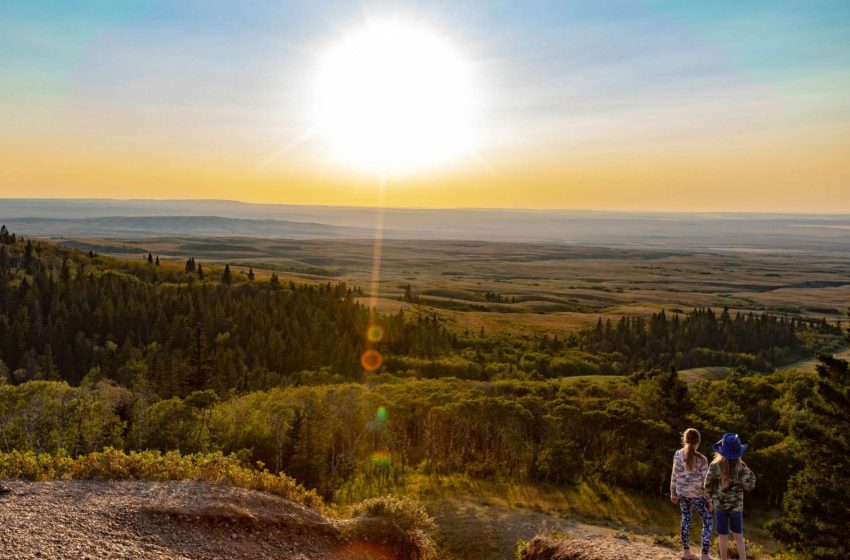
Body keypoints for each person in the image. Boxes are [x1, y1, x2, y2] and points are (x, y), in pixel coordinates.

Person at [704, 433, 756, 560]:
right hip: (736, 507)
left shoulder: (715, 465)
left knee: (723, 535)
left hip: (720, 506)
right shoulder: (742, 467)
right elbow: (750, 486)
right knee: (738, 536)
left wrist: (709, 499)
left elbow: (707, 485)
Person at [671, 428, 714, 560]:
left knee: (686, 519)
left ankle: (686, 552)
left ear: (684, 439)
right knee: (707, 521)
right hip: (697, 495)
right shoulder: (702, 459)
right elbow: (705, 483)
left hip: (682, 494)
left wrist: (673, 493)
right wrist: (709, 500)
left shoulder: (678, 454)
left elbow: (675, 474)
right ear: (698, 442)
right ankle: (705, 555)